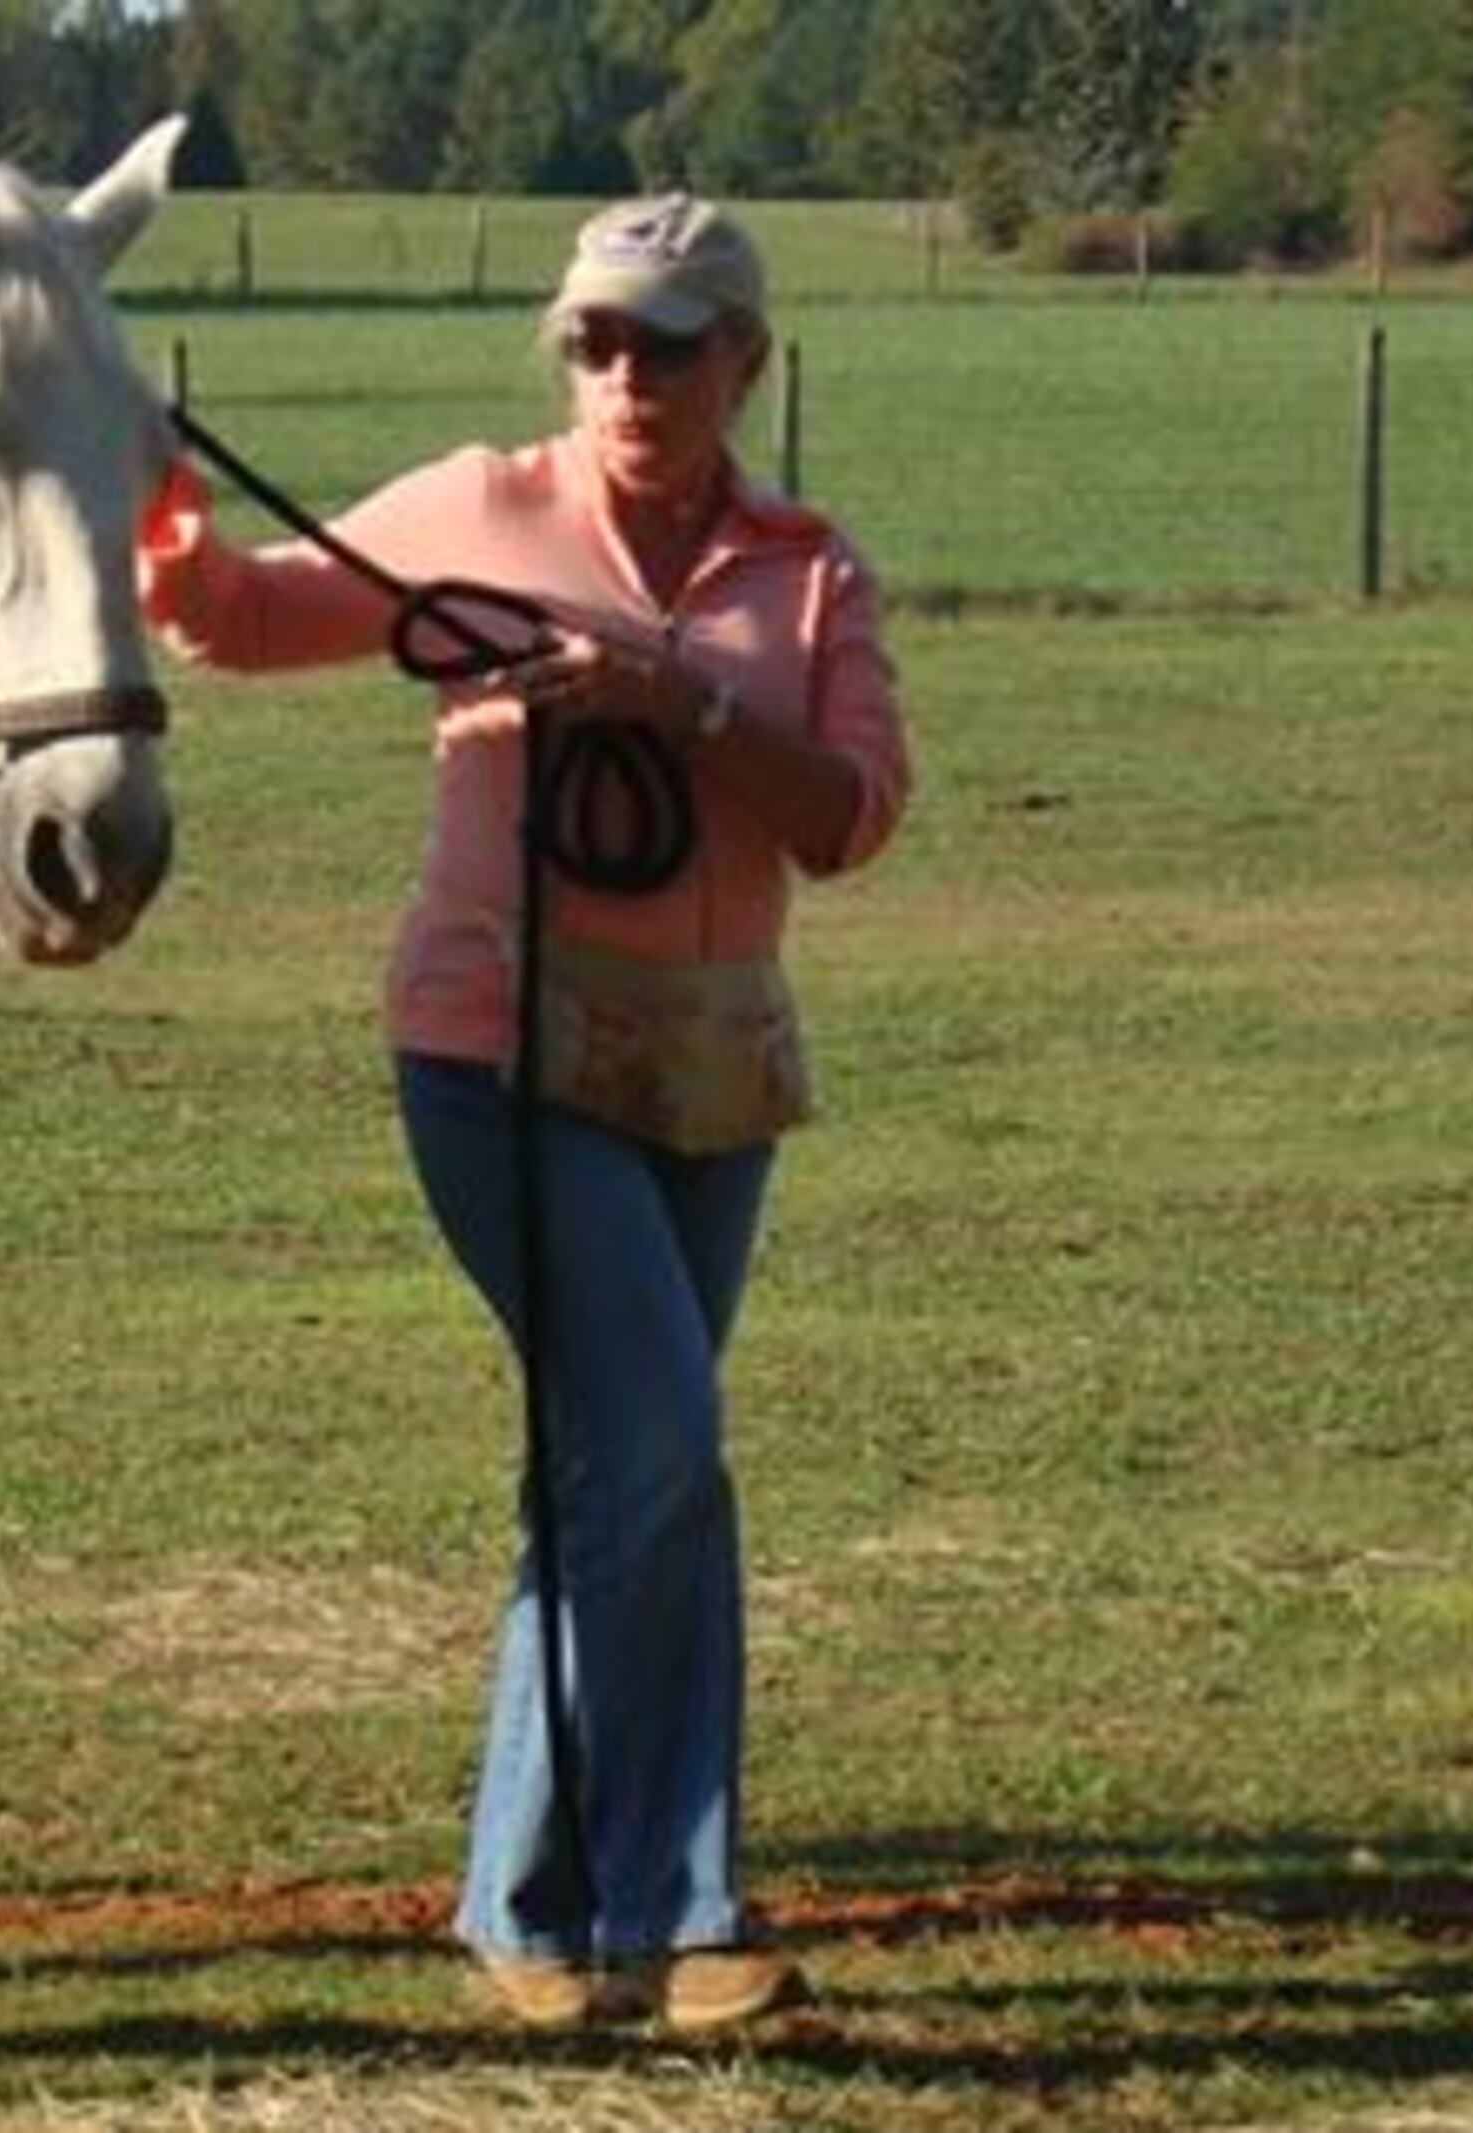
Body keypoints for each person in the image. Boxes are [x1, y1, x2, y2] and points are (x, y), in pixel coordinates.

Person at [135, 193, 914, 2032]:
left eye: (666, 340)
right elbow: (248, 618)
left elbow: (855, 814)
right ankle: (674, 1906)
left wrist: (681, 705)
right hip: (498, 1046)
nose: (625, 374)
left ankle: (531, 1901)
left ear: (748, 361)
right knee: (655, 1450)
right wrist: (155, 513)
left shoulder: (808, 574)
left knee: (614, 1471)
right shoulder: (484, 508)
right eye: (594, 340)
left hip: (709, 1064)